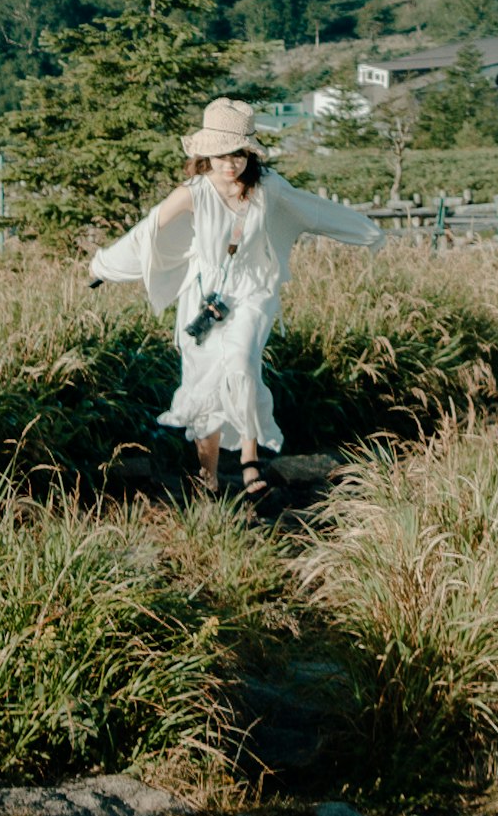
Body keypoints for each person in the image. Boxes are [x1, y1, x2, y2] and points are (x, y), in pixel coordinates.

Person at [87, 98, 381, 508]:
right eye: (223, 155)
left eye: (239, 154)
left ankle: (249, 460)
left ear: (250, 154)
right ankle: (206, 477)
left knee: (241, 363)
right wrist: (104, 266)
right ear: (206, 154)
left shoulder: (268, 188)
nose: (231, 164)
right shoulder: (193, 193)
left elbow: (314, 209)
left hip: (252, 290)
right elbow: (146, 231)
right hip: (203, 294)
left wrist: (366, 231)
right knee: (202, 382)